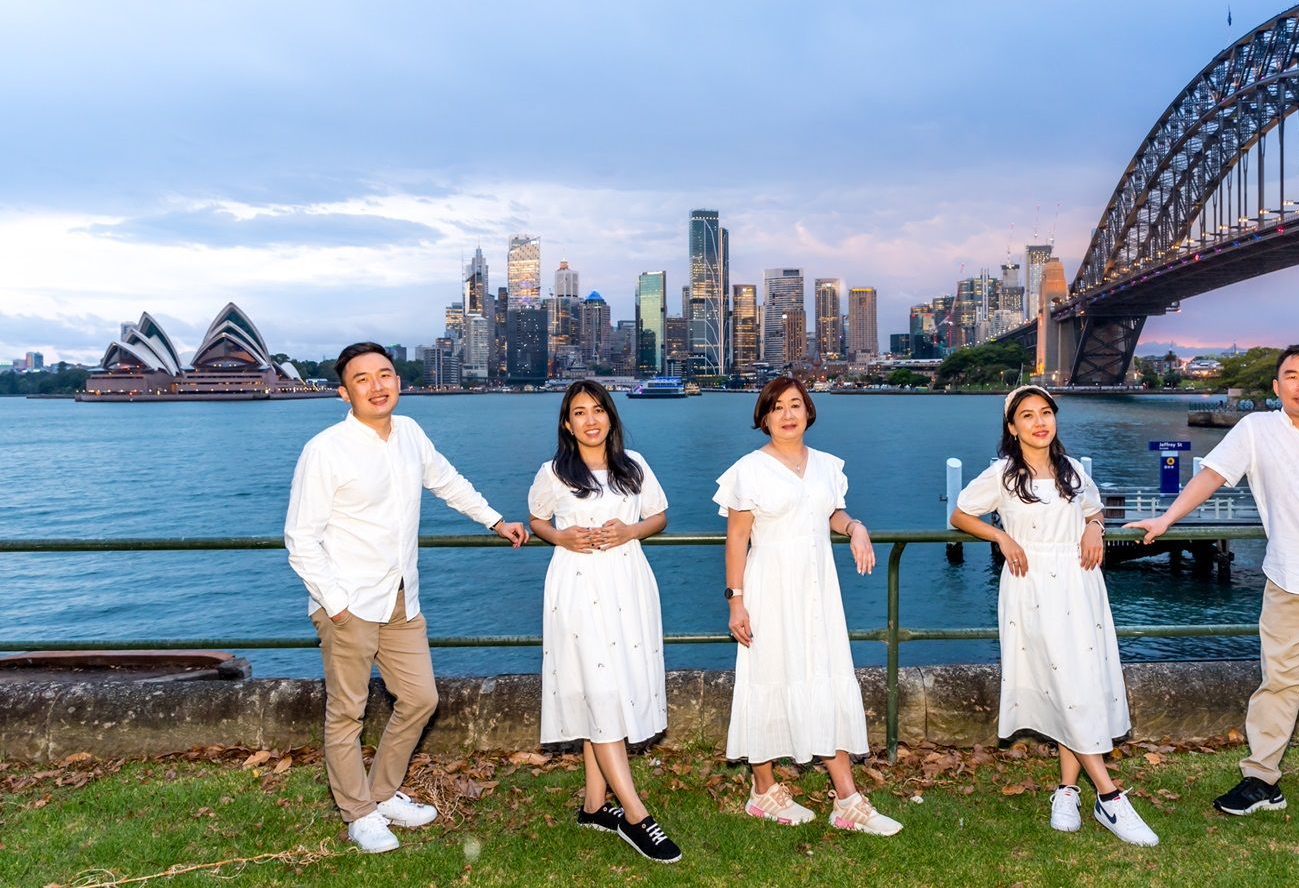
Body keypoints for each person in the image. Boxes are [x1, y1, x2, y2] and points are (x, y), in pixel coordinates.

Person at [1128, 344, 1299, 823]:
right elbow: (1211, 476)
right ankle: (1262, 779)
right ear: (1277, 387)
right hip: (1292, 581)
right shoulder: (1255, 430)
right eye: (1293, 376)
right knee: (1279, 685)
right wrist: (1167, 519)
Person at [285, 342, 528, 853]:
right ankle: (357, 813)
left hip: (401, 598)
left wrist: (494, 520)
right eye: (363, 379)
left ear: (398, 380)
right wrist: (336, 603)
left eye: (385, 374)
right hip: (348, 603)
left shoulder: (411, 434)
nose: (378, 386)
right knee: (346, 712)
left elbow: (447, 482)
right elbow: (301, 538)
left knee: (421, 699)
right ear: (344, 391)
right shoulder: (326, 450)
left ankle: (382, 792)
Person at [949, 386, 1159, 847]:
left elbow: (1095, 508)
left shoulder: (1074, 469)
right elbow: (960, 514)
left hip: (1079, 581)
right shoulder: (1003, 473)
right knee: (1065, 681)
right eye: (1027, 415)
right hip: (1031, 583)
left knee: (1079, 680)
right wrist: (1002, 539)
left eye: (1046, 413)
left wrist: (1093, 527)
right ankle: (1109, 794)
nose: (1039, 422)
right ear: (1012, 427)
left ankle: (1067, 790)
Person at [714, 376, 902, 836]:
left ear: (808, 411)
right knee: (767, 678)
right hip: (768, 586)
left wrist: (855, 526)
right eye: (777, 407)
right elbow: (737, 537)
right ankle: (763, 791)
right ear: (763, 417)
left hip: (818, 589)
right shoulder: (749, 470)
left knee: (824, 676)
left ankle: (847, 799)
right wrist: (736, 601)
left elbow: (831, 513)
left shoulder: (825, 466)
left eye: (795, 404)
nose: (788, 414)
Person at [527, 381, 681, 864]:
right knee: (600, 687)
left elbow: (659, 515)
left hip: (628, 582)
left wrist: (630, 529)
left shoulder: (632, 465)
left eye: (598, 410)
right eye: (579, 412)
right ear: (566, 423)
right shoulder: (553, 472)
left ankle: (595, 806)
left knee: (613, 684)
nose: (590, 420)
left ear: (610, 417)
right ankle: (634, 814)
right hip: (577, 584)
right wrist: (562, 537)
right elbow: (536, 520)